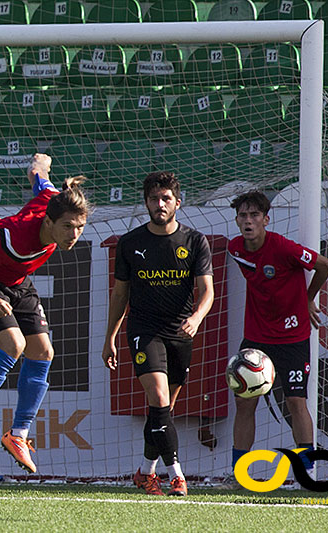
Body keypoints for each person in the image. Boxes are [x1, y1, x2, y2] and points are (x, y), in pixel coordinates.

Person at [0, 154, 89, 475]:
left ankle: (18, 435)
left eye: (80, 227)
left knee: (43, 351)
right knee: (13, 344)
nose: (74, 234)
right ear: (48, 223)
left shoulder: (53, 199)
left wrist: (42, 162)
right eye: (67, 227)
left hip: (16, 281)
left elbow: (38, 175)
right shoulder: (13, 237)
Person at [101, 171, 215, 497]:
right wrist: (109, 337)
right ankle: (177, 475)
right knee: (160, 400)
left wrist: (196, 316)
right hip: (144, 331)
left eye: (166, 198)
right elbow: (119, 296)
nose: (160, 204)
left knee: (161, 411)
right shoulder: (131, 243)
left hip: (180, 333)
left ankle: (144, 472)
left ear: (177, 203)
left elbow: (207, 292)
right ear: (146, 202)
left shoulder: (194, 241)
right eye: (154, 198)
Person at [222, 190, 328, 488]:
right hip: (256, 339)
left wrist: (309, 299)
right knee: (245, 403)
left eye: (254, 215)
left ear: (266, 220)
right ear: (237, 220)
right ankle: (239, 475)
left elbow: (324, 264)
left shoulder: (282, 247)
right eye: (243, 216)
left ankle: (306, 473)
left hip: (293, 337)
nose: (248, 221)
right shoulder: (236, 249)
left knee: (296, 401)